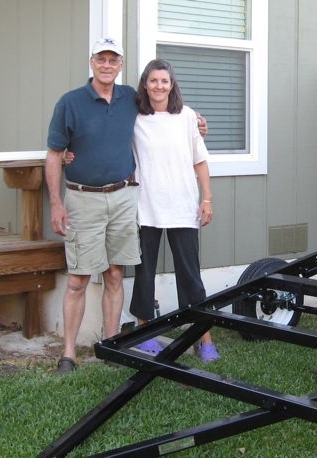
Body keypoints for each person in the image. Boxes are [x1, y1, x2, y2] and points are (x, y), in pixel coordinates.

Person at [46, 38, 209, 374]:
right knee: (106, 277)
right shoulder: (99, 105)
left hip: (150, 203)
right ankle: (88, 349)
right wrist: (60, 182)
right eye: (101, 59)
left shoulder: (154, 108)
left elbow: (180, 130)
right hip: (110, 202)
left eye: (113, 60)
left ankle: (187, 339)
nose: (107, 65)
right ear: (91, 61)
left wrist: (198, 123)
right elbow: (62, 150)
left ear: (120, 65)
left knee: (147, 275)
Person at [127, 58, 219, 362]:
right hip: (147, 207)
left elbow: (199, 160)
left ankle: (203, 338)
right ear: (145, 84)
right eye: (153, 81)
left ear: (172, 84)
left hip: (182, 206)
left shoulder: (188, 117)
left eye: (164, 81)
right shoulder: (135, 118)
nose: (159, 86)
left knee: (190, 274)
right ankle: (144, 334)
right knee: (145, 273)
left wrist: (207, 198)